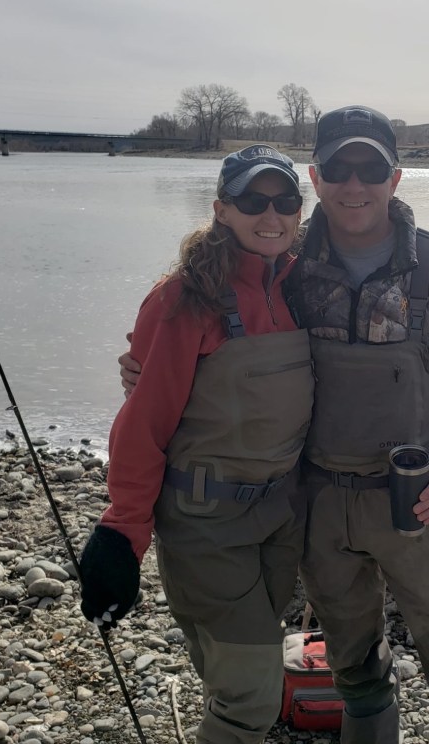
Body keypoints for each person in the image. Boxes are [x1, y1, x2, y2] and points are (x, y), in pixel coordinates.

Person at [120, 107, 429, 744]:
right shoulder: (285, 258)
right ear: (316, 176)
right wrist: (148, 370)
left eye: (371, 169)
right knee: (352, 662)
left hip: (413, 500)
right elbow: (207, 332)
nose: (354, 184)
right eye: (339, 168)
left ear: (395, 178)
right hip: (314, 505)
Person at [82, 145, 314, 744]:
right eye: (251, 200)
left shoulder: (305, 286)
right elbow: (142, 425)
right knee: (251, 699)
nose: (270, 214)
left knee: (238, 669)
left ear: (299, 210)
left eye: (284, 201)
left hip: (280, 519)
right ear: (221, 209)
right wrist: (122, 534)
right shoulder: (184, 298)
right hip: (206, 525)